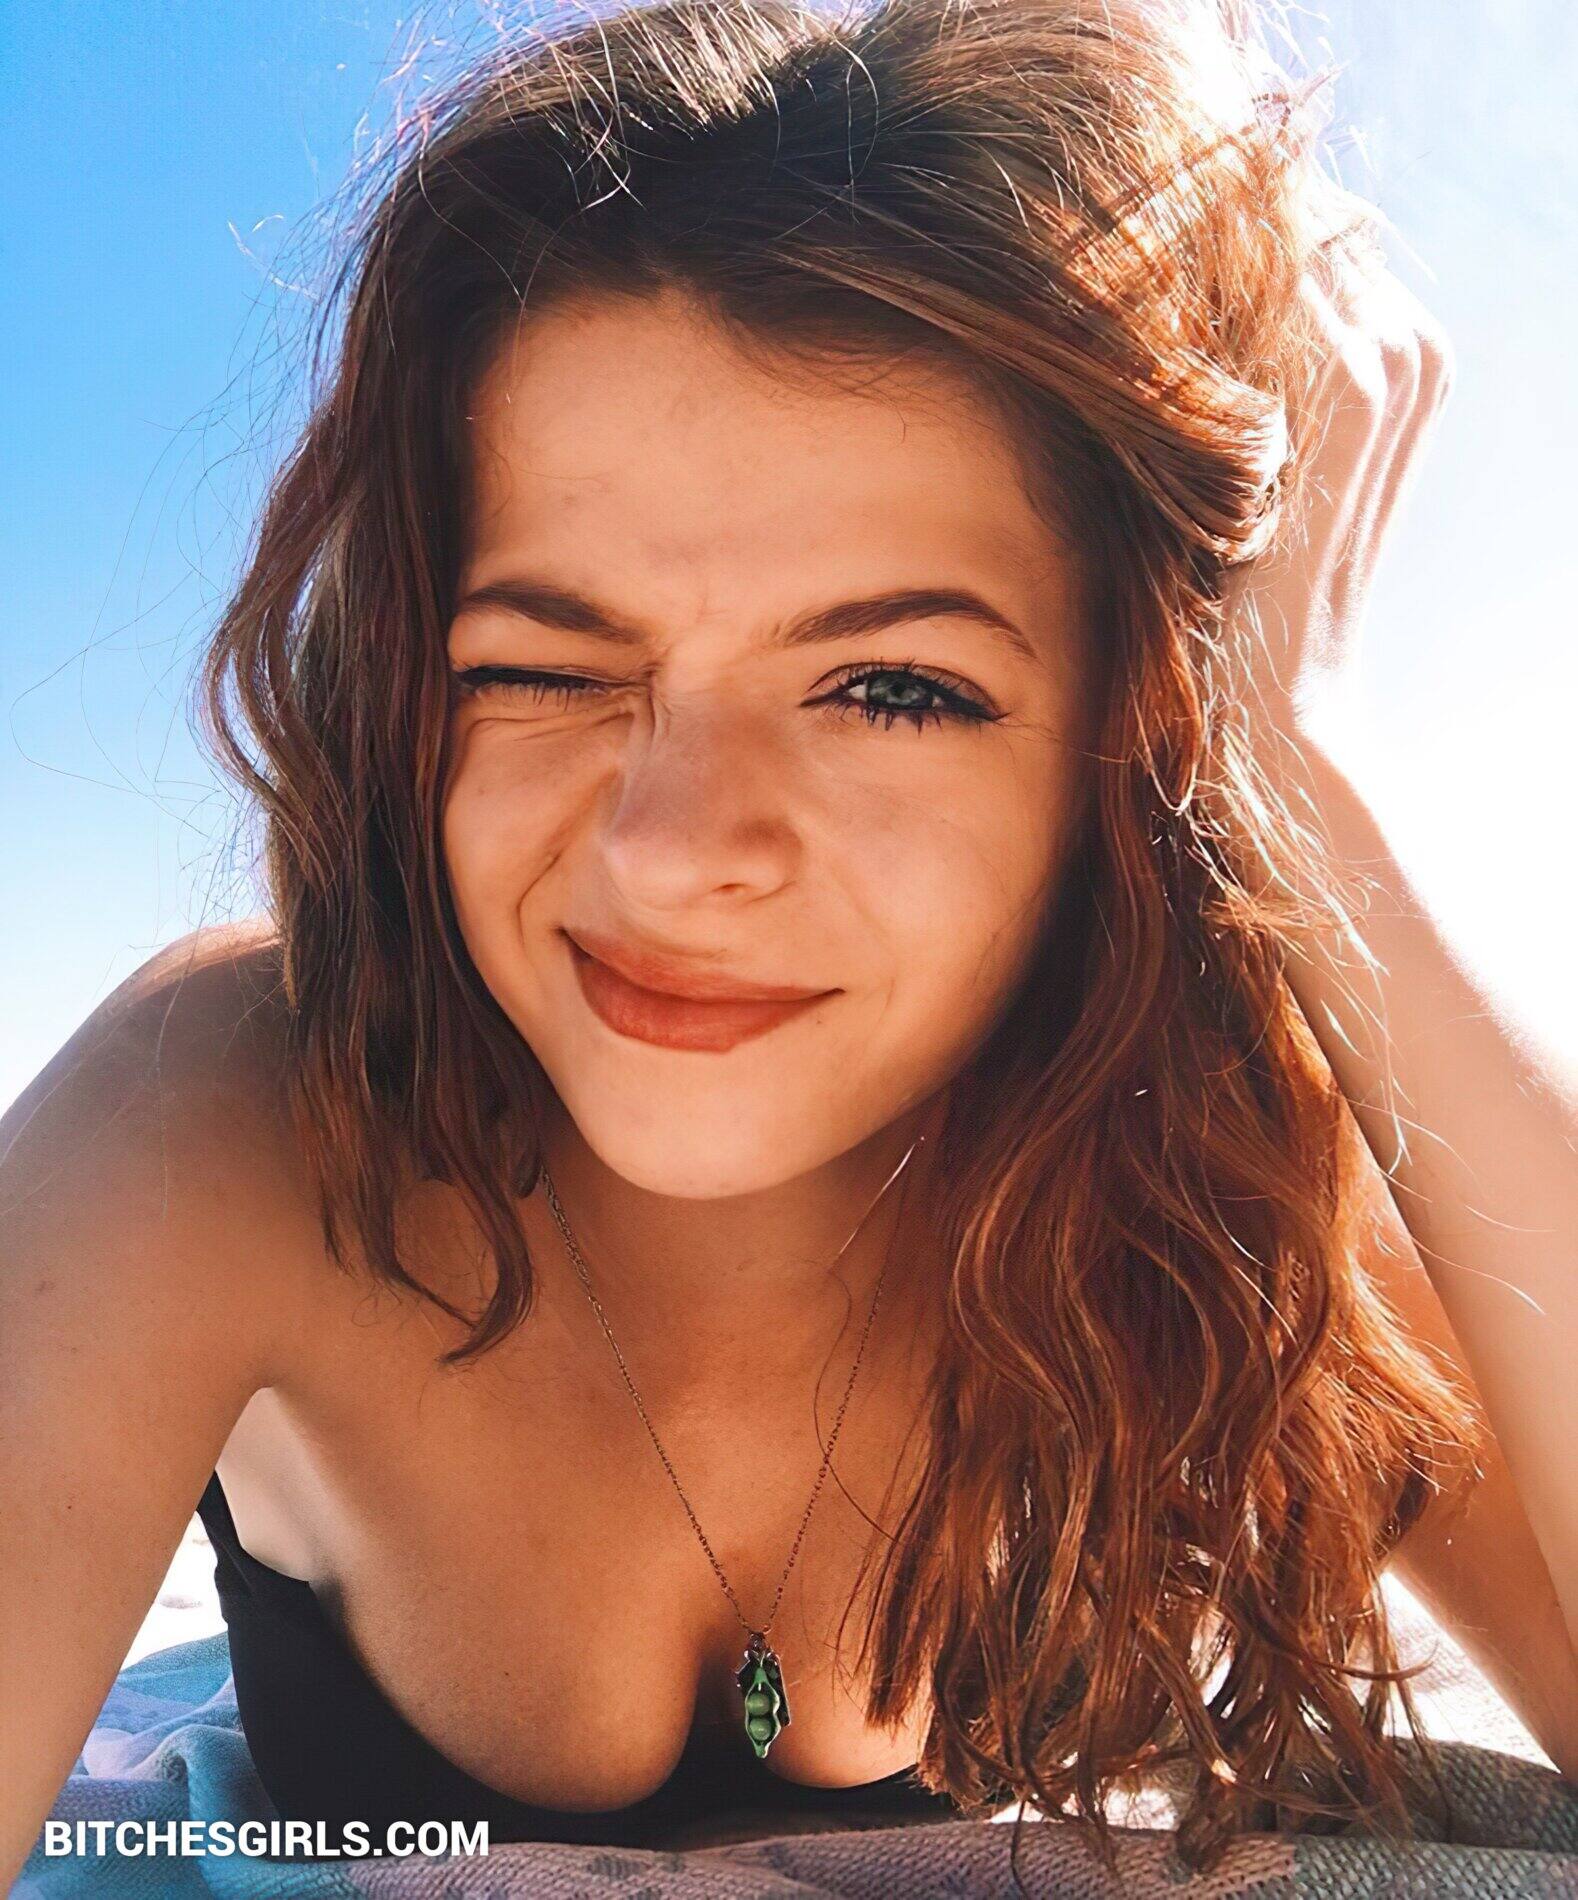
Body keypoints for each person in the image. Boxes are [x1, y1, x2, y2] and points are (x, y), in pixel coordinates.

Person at [4, 0, 1575, 1884]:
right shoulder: (243, 1110)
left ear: (1134, 739)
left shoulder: (1215, 1174)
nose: (672, 856)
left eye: (894, 687)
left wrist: (1307, 778)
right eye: (540, 668)